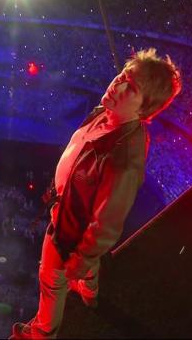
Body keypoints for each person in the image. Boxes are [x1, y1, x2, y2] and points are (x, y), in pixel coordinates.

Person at [11, 48, 182, 339]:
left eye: (132, 87)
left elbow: (107, 223)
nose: (118, 84)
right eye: (123, 76)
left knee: (50, 281)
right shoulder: (103, 112)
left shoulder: (125, 158)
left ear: (144, 109)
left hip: (70, 228)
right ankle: (89, 291)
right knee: (82, 271)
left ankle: (41, 333)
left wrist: (82, 256)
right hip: (66, 211)